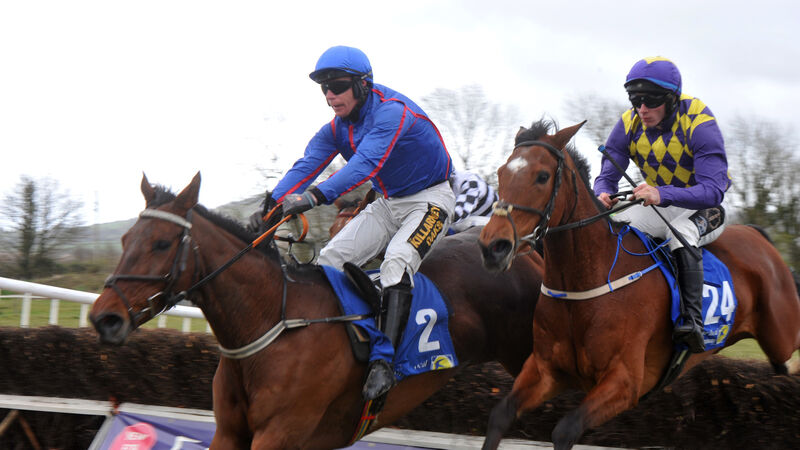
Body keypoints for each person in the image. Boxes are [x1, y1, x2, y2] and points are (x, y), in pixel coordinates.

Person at [257, 45, 455, 400]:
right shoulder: (335, 129)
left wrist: (314, 198)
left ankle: (384, 364)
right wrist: (272, 204)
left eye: (338, 86)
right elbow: (305, 167)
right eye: (324, 88)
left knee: (397, 260)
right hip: (388, 203)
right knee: (329, 261)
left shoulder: (392, 112)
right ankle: (335, 342)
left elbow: (364, 166)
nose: (331, 96)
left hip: (432, 199)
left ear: (363, 85)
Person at [593, 57, 730, 353]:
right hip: (659, 200)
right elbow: (606, 176)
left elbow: (712, 190)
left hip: (704, 207)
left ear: (671, 99)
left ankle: (692, 321)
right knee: (613, 225)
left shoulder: (699, 122)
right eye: (636, 100)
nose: (642, 109)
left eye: (651, 101)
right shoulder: (628, 122)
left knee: (680, 231)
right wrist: (603, 193)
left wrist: (661, 194)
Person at [448, 169, 498, 234]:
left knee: (452, 225)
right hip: (472, 217)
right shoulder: (447, 183)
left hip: (493, 220)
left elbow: (460, 213)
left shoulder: (469, 181)